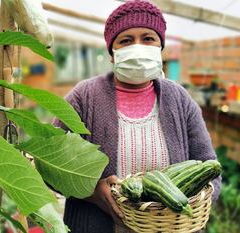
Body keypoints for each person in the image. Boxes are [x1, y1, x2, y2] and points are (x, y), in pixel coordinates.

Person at [53, 1, 222, 233]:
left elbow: (209, 168)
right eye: (126, 40)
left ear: (160, 48)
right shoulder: (84, 97)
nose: (138, 46)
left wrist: (181, 210)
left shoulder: (180, 99)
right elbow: (51, 165)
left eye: (148, 38)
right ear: (112, 53)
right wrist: (93, 191)